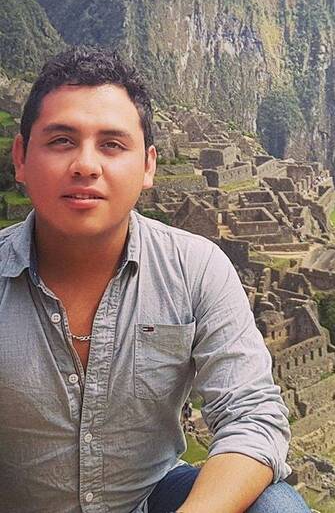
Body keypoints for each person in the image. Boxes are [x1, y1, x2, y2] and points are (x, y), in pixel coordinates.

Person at [0, 46, 311, 513]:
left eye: (112, 144)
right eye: (62, 141)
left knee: (276, 506)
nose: (86, 165)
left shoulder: (194, 269)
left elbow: (252, 417)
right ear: (21, 158)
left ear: (148, 166)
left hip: (151, 498)